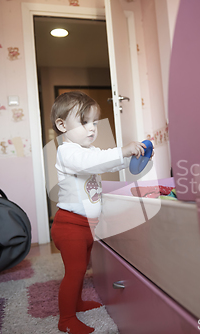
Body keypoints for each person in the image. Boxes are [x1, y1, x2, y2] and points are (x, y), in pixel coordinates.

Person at [50, 91, 149, 334]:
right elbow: (94, 163)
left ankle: (78, 302)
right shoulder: (67, 151)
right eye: (84, 122)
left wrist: (133, 156)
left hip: (87, 225)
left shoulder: (90, 151)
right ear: (62, 125)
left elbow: (109, 162)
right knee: (73, 272)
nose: (92, 128)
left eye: (94, 122)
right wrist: (121, 150)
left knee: (82, 268)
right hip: (69, 225)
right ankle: (66, 320)